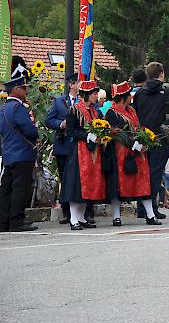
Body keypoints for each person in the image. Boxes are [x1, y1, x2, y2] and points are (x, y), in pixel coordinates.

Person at [104, 81, 161, 226]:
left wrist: (144, 141)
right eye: (129, 95)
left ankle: (150, 215)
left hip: (138, 153)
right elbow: (116, 133)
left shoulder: (131, 111)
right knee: (118, 185)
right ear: (123, 97)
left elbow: (138, 128)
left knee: (143, 182)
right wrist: (133, 143)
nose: (131, 97)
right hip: (121, 154)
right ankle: (116, 216)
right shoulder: (112, 112)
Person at [133, 62, 169, 219]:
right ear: (162, 74)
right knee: (155, 174)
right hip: (160, 138)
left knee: (143, 173)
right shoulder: (167, 91)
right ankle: (151, 208)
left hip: (143, 138)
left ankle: (142, 207)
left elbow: (136, 114)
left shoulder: (140, 93)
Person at [45, 72, 93, 224]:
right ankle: (68, 213)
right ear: (71, 85)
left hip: (83, 146)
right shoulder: (60, 101)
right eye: (78, 82)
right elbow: (48, 120)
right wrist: (61, 124)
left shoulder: (87, 102)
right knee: (67, 180)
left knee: (85, 178)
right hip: (64, 145)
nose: (80, 85)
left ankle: (87, 213)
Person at [59, 80, 106, 230]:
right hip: (79, 151)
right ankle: (74, 218)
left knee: (89, 183)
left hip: (92, 151)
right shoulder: (74, 110)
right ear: (86, 95)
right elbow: (71, 131)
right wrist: (87, 136)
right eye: (94, 93)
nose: (96, 96)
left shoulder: (95, 111)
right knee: (77, 185)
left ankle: (81, 217)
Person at [0, 76, 39, 232]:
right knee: (20, 189)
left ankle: (3, 222)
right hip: (22, 154)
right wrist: (35, 132)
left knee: (6, 189)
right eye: (23, 88)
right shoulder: (18, 108)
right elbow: (29, 129)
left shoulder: (2, 108)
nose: (26, 90)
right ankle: (17, 221)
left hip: (9, 154)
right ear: (16, 90)